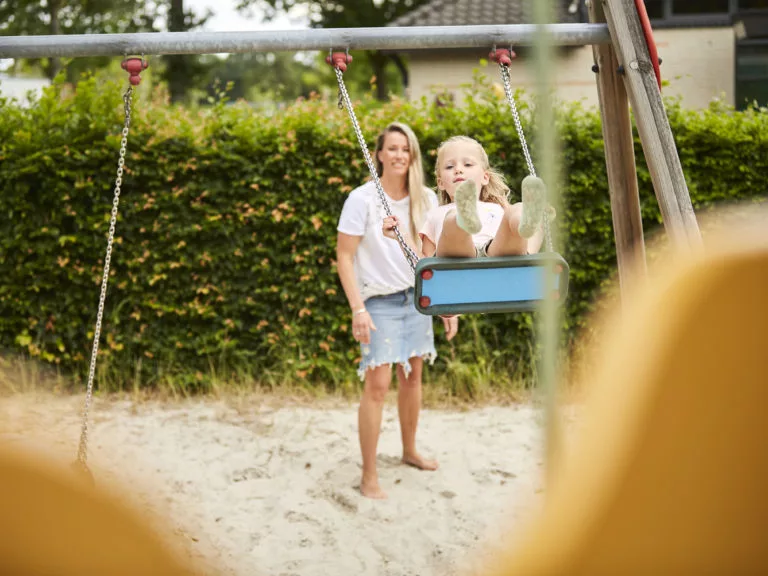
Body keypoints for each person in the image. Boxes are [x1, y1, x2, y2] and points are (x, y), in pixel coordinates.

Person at [336, 122, 459, 500]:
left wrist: (445, 304)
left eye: (405, 149)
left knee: (414, 378)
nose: (399, 155)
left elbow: (434, 257)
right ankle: (369, 474)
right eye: (392, 148)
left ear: (413, 155)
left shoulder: (426, 199)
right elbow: (344, 256)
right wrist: (358, 308)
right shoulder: (363, 199)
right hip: (379, 301)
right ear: (379, 154)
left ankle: (409, 451)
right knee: (377, 386)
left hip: (416, 298)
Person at [383, 135, 550, 259]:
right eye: (449, 166)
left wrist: (540, 222)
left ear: (485, 177)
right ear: (441, 183)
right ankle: (463, 218)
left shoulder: (496, 208)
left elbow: (527, 249)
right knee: (451, 219)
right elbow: (423, 263)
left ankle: (526, 218)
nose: (458, 170)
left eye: (468, 164)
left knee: (515, 210)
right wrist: (402, 236)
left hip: (493, 255)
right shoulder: (436, 214)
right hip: (455, 262)